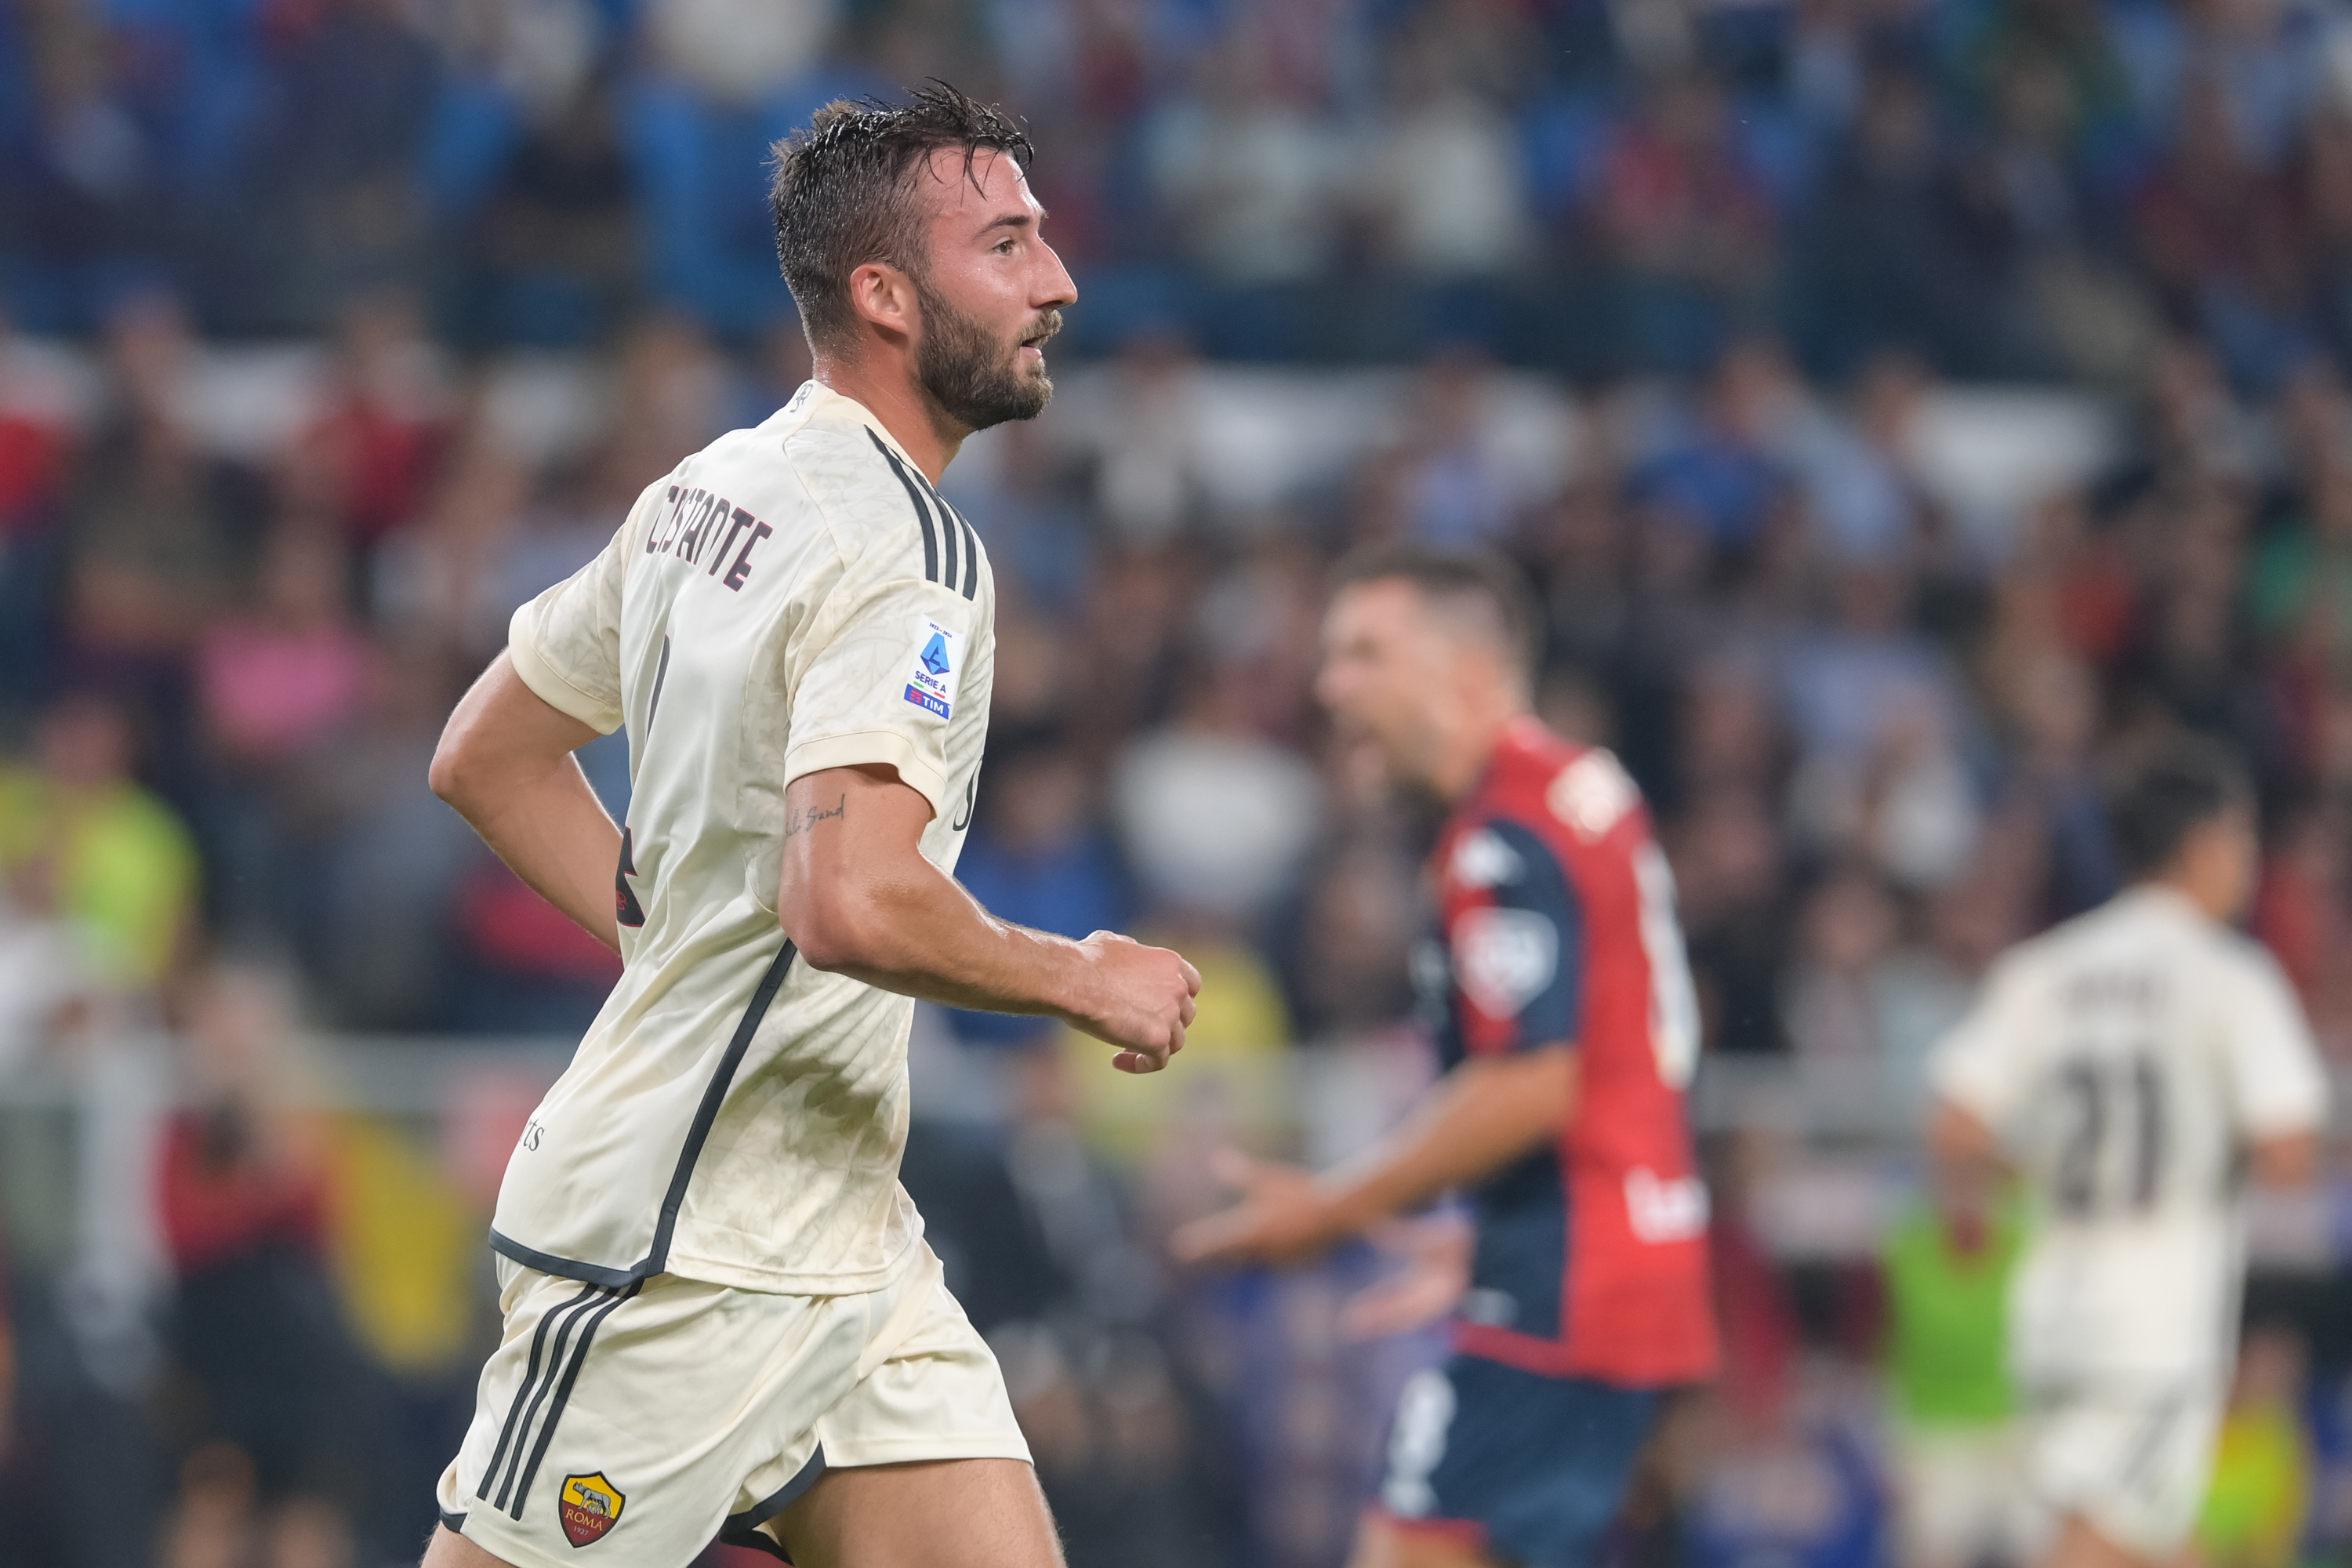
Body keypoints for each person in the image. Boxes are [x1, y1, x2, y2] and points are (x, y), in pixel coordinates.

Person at [419, 85, 1200, 1568]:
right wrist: (1078, 977)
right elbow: (848, 901)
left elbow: (488, 755)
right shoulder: (908, 554)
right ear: (886, 296)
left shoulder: (711, 487)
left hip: (841, 1239)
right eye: (1010, 245)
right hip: (683, 1255)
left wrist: (679, 943)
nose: (1060, 281)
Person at [1174, 546, 1720, 1568]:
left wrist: (1336, 1209)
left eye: (1366, 655)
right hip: (1629, 1271)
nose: (1332, 689)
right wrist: (1505, 1229)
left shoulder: (1500, 836)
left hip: (1562, 1299)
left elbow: (1532, 1082)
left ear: (1468, 672)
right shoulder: (1587, 790)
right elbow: (1615, 1058)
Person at [1926, 739, 2328, 1568]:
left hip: (2051, 1307)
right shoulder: (2230, 976)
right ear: (2204, 841)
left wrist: (2052, 1170)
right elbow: (2290, 1149)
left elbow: (1955, 1126)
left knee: (2146, 1541)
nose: (2250, 862)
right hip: (2157, 1317)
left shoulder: (2044, 968)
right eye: (2243, 839)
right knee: (2094, 1546)